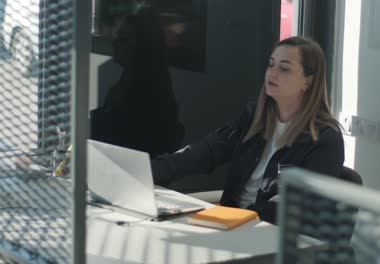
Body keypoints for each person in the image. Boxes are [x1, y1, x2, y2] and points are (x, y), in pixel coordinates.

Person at [151, 36, 345, 224]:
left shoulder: (325, 139)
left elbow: (297, 206)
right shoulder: (253, 117)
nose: (272, 73)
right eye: (271, 64)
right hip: (233, 223)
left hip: (271, 234)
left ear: (308, 82)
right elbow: (205, 152)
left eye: (284, 68)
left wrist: (239, 216)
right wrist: (149, 170)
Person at [90, 6, 184, 159]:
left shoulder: (149, 98)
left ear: (141, 48)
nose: (115, 43)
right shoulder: (127, 83)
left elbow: (121, 142)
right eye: (117, 37)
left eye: (123, 39)